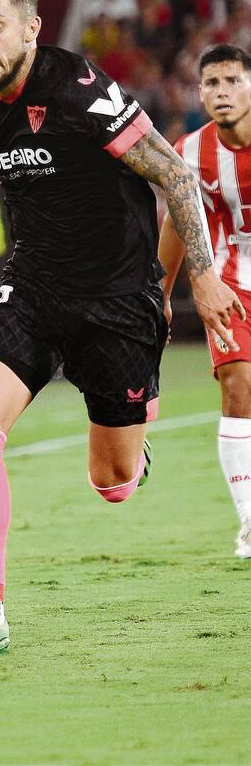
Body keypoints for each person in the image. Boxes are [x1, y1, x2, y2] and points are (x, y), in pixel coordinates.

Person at [0, 0, 241, 657]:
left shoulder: (83, 90)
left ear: (30, 27)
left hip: (120, 298)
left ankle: (133, 441)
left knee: (112, 482)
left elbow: (176, 175)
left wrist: (201, 277)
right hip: (31, 287)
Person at [160, 43, 251, 559]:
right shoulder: (188, 153)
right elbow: (176, 222)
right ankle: (249, 521)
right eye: (212, 83)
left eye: (232, 81)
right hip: (231, 286)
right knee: (238, 388)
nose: (222, 92)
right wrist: (162, 294)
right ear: (200, 91)